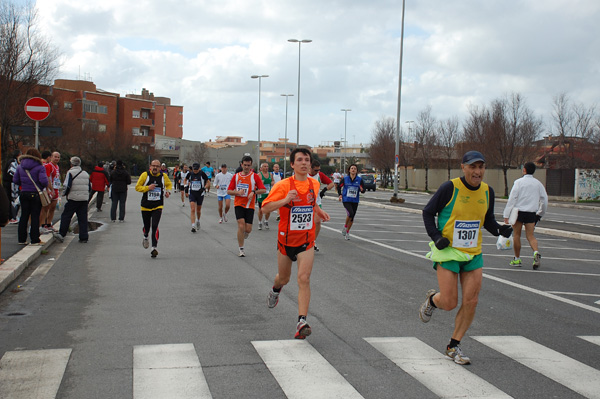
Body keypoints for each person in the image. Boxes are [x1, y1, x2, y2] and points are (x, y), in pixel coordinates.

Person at [419, 150, 513, 365]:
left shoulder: (487, 191)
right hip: (449, 251)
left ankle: (454, 345)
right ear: (463, 167)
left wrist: (500, 230)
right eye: (472, 167)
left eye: (481, 167)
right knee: (450, 303)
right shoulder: (450, 188)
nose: (477, 171)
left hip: (473, 253)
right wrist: (436, 236)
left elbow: (487, 220)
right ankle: (433, 300)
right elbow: (427, 212)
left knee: (471, 300)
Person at [262, 148, 331, 339]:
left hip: (306, 240)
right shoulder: (283, 185)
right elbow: (265, 207)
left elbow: (311, 203)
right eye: (299, 160)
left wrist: (319, 211)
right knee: (284, 279)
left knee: (304, 278)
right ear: (292, 164)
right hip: (285, 240)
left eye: (306, 160)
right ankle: (276, 290)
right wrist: (285, 200)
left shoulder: (314, 184)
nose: (303, 163)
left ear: (310, 164)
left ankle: (302, 321)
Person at [503, 162, 548, 269]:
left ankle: (517, 258)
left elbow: (512, 199)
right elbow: (544, 200)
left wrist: (506, 214)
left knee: (517, 235)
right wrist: (540, 213)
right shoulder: (538, 184)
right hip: (531, 213)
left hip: (518, 212)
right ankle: (536, 252)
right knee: (530, 236)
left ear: (524, 170)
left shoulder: (518, 182)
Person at [226, 156, 266, 257]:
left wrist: (254, 192)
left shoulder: (255, 176)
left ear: (251, 165)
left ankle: (244, 234)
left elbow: (263, 189)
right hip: (239, 204)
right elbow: (229, 191)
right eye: (245, 165)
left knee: (248, 229)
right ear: (241, 165)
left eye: (248, 165)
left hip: (250, 205)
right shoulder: (236, 177)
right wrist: (237, 192)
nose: (246, 167)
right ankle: (241, 249)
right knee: (241, 225)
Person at [135, 160, 172, 258]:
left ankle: (154, 248)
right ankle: (145, 235)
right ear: (150, 167)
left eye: (157, 166)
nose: (155, 168)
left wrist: (168, 192)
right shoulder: (145, 175)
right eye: (153, 166)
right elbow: (137, 187)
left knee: (155, 225)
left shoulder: (163, 177)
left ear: (160, 168)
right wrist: (147, 188)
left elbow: (169, 185)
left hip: (158, 205)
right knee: (147, 226)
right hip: (146, 206)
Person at [12, 148, 49, 245]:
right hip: (36, 194)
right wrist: (40, 186)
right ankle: (35, 239)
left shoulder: (20, 166)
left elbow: (15, 180)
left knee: (24, 215)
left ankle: (21, 239)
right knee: (35, 216)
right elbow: (44, 181)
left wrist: (24, 184)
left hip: (24, 193)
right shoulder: (40, 167)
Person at [54, 157, 90, 243]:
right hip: (84, 199)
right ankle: (84, 236)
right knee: (83, 218)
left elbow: (67, 185)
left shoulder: (70, 173)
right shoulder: (85, 173)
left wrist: (64, 194)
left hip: (73, 198)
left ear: (71, 164)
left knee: (66, 216)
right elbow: (89, 187)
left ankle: (62, 234)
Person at [309, 160, 334, 251]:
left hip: (317, 202)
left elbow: (331, 183)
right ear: (310, 168)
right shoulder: (304, 174)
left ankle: (313, 242)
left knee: (317, 222)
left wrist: (324, 190)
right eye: (316, 170)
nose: (317, 172)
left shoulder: (320, 175)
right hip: (305, 203)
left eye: (319, 170)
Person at [337, 164, 365, 240]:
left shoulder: (359, 180)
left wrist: (362, 190)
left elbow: (363, 190)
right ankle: (345, 226)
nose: (353, 170)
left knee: (352, 217)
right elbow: (339, 186)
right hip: (346, 199)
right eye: (352, 168)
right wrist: (340, 195)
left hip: (355, 200)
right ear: (349, 170)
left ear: (356, 171)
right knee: (350, 213)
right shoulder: (345, 179)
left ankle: (347, 232)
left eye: (355, 168)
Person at [185, 162, 211, 232]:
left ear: (199, 168)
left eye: (196, 170)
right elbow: (185, 179)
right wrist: (186, 187)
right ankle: (193, 226)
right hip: (192, 193)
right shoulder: (190, 174)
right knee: (193, 209)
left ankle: (198, 220)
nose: (195, 171)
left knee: (198, 210)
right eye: (194, 170)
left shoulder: (202, 174)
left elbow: (208, 182)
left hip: (200, 193)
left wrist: (204, 188)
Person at [40, 151, 61, 233]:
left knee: (52, 208)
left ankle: (49, 224)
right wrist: (50, 189)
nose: (57, 159)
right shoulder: (48, 166)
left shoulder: (57, 166)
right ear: (51, 157)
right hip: (49, 189)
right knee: (45, 208)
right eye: (55, 157)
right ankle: (42, 225)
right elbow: (47, 178)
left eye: (58, 157)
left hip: (56, 189)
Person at [3, 149, 21, 223]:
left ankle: (13, 216)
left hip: (12, 184)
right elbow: (12, 174)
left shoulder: (15, 162)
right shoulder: (13, 163)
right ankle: (11, 217)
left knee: (15, 200)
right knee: (12, 200)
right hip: (11, 185)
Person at [256, 163, 273, 231]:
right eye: (265, 166)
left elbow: (273, 180)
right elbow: (255, 184)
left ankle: (266, 221)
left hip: (268, 194)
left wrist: (272, 182)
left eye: (267, 166)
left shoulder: (270, 174)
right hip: (261, 194)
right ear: (261, 168)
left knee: (268, 209)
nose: (266, 167)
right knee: (261, 210)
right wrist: (260, 183)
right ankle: (260, 222)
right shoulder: (259, 175)